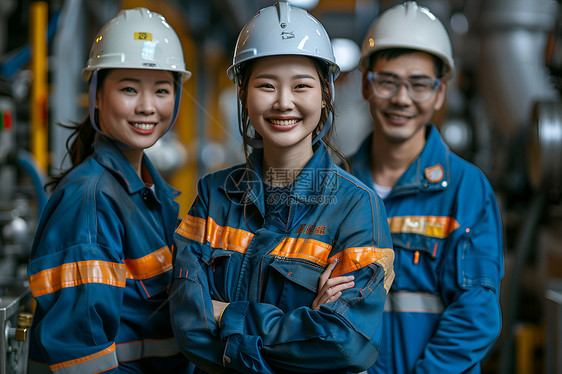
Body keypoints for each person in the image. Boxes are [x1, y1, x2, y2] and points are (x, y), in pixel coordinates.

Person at [168, 2, 394, 373]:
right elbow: (188, 325)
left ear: (325, 94)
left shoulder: (356, 207)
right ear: (243, 92)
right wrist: (304, 329)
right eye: (266, 85)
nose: (283, 102)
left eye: (301, 86)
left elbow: (346, 345)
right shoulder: (213, 196)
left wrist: (227, 315)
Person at [26, 8, 194, 373]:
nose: (147, 106)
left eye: (162, 90)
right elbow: (79, 358)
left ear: (177, 99)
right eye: (129, 88)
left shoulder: (152, 195)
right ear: (97, 96)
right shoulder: (92, 201)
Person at [350, 2, 504, 373]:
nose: (402, 99)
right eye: (388, 81)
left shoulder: (466, 190)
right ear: (366, 84)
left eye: (419, 84)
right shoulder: (335, 186)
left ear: (439, 92)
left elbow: (474, 318)